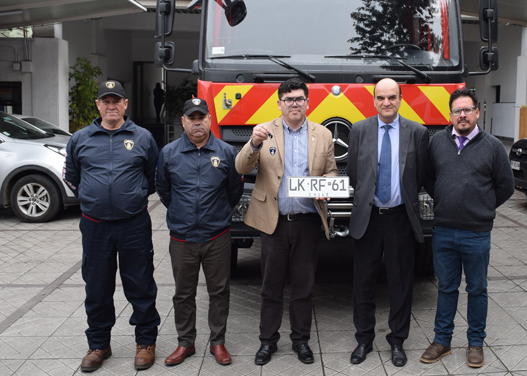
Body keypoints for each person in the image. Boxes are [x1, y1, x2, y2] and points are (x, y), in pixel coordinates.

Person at [235, 78, 337, 366]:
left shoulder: (323, 134)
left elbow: (330, 172)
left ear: (308, 102)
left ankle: (301, 341)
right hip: (274, 222)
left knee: (304, 286)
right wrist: (253, 143)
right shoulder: (265, 131)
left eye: (299, 99)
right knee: (271, 286)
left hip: (306, 221)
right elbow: (241, 167)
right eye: (288, 99)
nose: (294, 104)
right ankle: (267, 342)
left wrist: (327, 187)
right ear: (279, 103)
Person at [63, 80, 160, 372]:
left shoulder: (143, 137)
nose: (111, 105)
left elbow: (152, 177)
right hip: (95, 227)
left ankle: (145, 342)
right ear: (98, 105)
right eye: (105, 100)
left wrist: (129, 197)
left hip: (133, 225)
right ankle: (98, 345)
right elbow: (72, 176)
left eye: (116, 100)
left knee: (141, 285)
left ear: (125, 104)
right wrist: (95, 199)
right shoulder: (80, 139)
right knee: (97, 287)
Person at [419, 88, 514, 367]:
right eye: (457, 111)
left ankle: (475, 343)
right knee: (446, 287)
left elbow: (505, 186)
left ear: (477, 112)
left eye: (467, 110)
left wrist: (481, 206)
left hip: (477, 232)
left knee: (477, 289)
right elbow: (428, 177)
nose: (462, 115)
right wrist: (447, 200)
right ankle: (442, 341)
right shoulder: (437, 143)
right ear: (450, 115)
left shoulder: (493, 146)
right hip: (444, 231)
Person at [346, 78, 429, 367]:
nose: (386, 103)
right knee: (363, 283)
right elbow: (356, 176)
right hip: (368, 218)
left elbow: (420, 177)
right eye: (381, 98)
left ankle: (397, 341)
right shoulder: (359, 130)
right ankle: (364, 339)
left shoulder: (417, 132)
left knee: (400, 284)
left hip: (400, 219)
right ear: (373, 100)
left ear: (400, 99)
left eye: (392, 97)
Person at [156, 98, 244, 367]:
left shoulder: (227, 153)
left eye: (201, 117)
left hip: (216, 237)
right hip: (182, 238)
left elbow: (234, 192)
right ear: (183, 121)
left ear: (209, 120)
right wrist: (183, 214)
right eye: (191, 118)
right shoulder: (169, 153)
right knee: (183, 294)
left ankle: (218, 342)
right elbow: (164, 190)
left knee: (219, 292)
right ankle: (186, 343)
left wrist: (215, 215)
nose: (197, 122)